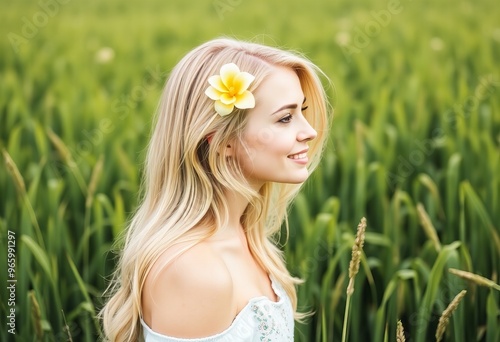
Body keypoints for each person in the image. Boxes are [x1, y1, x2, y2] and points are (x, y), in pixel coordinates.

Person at [100, 37, 331, 341]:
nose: (310, 131)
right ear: (223, 142)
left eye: (302, 110)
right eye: (285, 118)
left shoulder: (247, 239)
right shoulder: (195, 272)